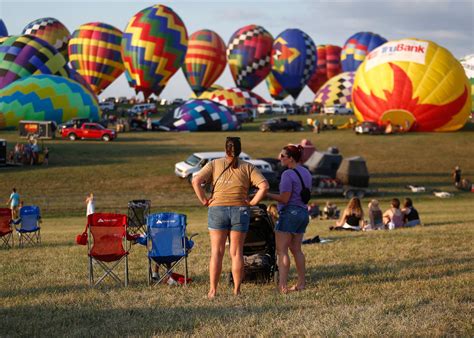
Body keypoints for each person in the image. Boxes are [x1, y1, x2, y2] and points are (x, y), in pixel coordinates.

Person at [192, 137, 268, 299]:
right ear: (240, 150)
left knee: (216, 253)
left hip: (217, 209)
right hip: (240, 210)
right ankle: (237, 290)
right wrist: (253, 202)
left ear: (226, 149)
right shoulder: (248, 167)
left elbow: (196, 180)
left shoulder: (214, 164)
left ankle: (213, 291)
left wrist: (204, 200)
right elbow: (264, 186)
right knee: (237, 253)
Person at [267, 145, 312, 294]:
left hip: (290, 213)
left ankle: (282, 286)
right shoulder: (306, 172)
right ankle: (301, 283)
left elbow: (284, 198)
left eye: (282, 156)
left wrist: (267, 194)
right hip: (303, 213)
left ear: (291, 158)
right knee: (296, 250)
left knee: (282, 251)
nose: (280, 158)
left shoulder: (287, 174)